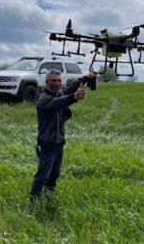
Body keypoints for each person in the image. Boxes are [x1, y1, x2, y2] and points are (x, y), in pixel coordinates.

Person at [29, 69, 96, 202]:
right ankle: (34, 203)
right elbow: (59, 103)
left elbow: (71, 87)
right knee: (42, 176)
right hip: (47, 145)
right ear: (47, 82)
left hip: (59, 143)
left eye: (59, 80)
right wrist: (74, 97)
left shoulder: (59, 93)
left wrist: (86, 77)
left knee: (54, 175)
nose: (57, 83)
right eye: (53, 80)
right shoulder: (44, 99)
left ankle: (49, 198)